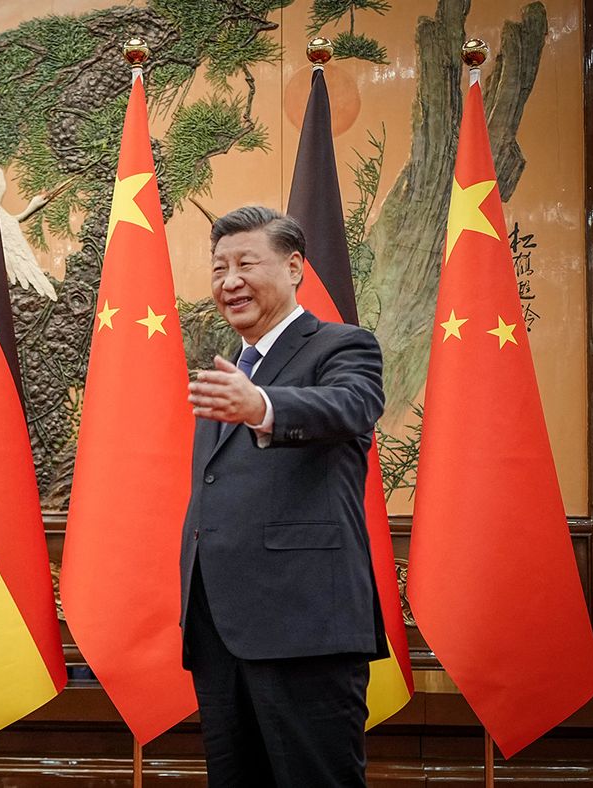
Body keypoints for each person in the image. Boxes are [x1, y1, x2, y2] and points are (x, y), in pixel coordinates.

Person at [182, 206, 386, 786]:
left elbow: (352, 407)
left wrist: (265, 407)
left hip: (305, 628)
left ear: (294, 267)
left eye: (247, 263)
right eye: (219, 267)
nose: (229, 281)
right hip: (220, 633)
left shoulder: (342, 346)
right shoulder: (229, 371)